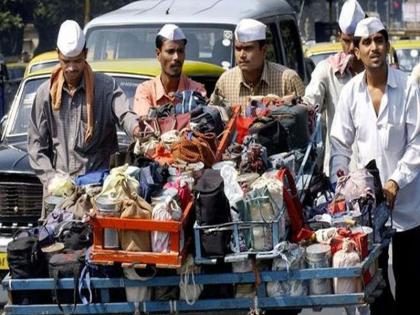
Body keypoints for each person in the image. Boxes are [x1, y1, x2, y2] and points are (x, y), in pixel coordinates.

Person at [330, 17, 420, 315]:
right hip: (369, 210)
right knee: (374, 288)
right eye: (366, 42)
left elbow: (417, 143)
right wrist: (341, 181)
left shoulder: (407, 88)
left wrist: (395, 181)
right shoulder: (351, 93)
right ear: (356, 50)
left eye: (379, 40)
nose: (374, 47)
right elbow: (339, 145)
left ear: (387, 45)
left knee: (410, 283)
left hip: (409, 206)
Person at [28, 20, 141, 202]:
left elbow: (125, 115)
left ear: (86, 54)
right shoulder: (45, 94)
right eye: (66, 61)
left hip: (98, 191)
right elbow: (35, 146)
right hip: (59, 195)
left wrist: (137, 129)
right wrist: (52, 180)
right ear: (58, 55)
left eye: (77, 61)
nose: (72, 68)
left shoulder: (105, 87)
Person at [304, 0, 365, 176]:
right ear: (340, 37)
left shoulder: (380, 74)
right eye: (347, 41)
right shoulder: (327, 70)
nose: (352, 48)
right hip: (341, 172)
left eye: (356, 41)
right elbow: (310, 103)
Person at [210, 18, 305, 110]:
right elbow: (213, 116)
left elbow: (306, 118)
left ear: (263, 51)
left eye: (248, 48)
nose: (242, 55)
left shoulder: (288, 80)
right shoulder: (225, 82)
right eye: (238, 49)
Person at [133, 24, 206, 116]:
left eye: (180, 51)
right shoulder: (146, 91)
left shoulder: (197, 91)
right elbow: (145, 127)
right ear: (158, 54)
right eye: (170, 52)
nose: (176, 57)